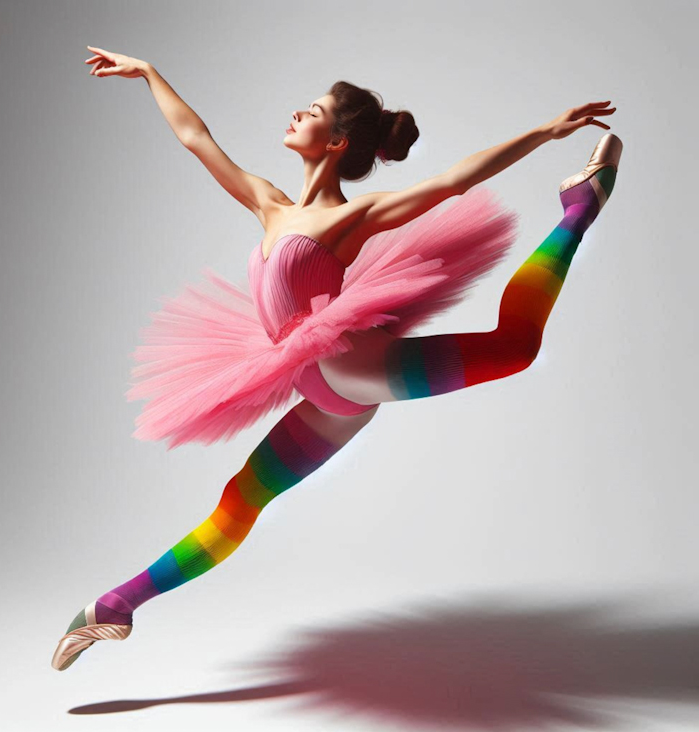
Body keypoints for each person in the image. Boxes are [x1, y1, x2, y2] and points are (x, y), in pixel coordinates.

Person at [51, 46, 621, 670]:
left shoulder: (354, 216)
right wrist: (149, 73)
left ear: (338, 142)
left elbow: (455, 179)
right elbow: (196, 137)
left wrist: (545, 130)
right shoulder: (268, 202)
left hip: (349, 366)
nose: (298, 113)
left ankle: (579, 208)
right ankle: (114, 607)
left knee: (515, 348)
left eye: (315, 110)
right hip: (327, 393)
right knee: (240, 500)